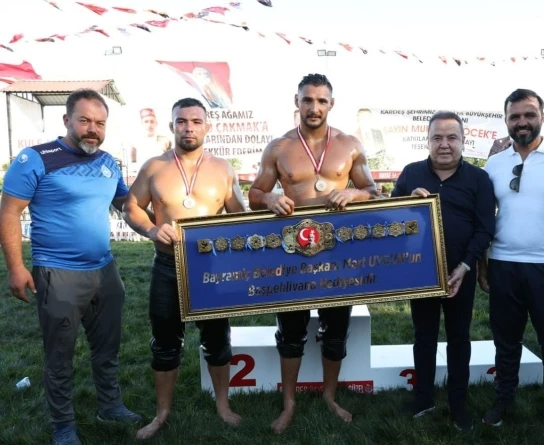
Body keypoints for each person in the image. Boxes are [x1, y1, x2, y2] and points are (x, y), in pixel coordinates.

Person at [0, 89, 142, 445]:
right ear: (67, 120)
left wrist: (162, 220)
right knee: (60, 355)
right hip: (57, 272)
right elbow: (9, 213)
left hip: (105, 270)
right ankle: (63, 426)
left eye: (100, 123)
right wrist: (16, 267)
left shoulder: (108, 162)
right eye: (85, 120)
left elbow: (128, 205)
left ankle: (110, 406)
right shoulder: (35, 158)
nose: (93, 129)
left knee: (108, 347)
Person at [248, 73, 378, 433]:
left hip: (338, 254)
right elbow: (254, 195)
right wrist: (270, 198)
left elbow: (372, 191)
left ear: (331, 104)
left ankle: (329, 396)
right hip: (293, 254)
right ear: (297, 102)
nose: (314, 107)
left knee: (336, 330)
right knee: (291, 332)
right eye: (308, 100)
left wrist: (352, 193)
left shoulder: (350, 145)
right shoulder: (278, 147)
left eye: (321, 101)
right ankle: (288, 403)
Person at [122, 97, 247, 439]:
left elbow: (240, 216)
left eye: (195, 121)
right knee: (164, 342)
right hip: (167, 265)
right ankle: (162, 413)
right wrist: (151, 229)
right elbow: (131, 207)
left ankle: (223, 405)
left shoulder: (223, 169)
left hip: (211, 268)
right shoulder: (154, 167)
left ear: (207, 127)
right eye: (181, 121)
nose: (188, 128)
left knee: (217, 339)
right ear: (172, 126)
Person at [479, 89, 544, 438]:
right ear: (506, 120)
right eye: (515, 116)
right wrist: (482, 264)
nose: (522, 122)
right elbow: (484, 216)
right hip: (503, 263)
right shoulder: (495, 163)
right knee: (505, 340)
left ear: (542, 118)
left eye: (529, 115)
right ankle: (503, 398)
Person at [391, 111, 496, 431]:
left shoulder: (478, 179)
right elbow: (389, 219)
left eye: (452, 137)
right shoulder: (411, 173)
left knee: (459, 338)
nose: (445, 144)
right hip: (421, 273)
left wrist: (465, 267)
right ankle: (423, 398)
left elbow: (485, 228)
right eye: (437, 137)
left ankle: (458, 402)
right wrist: (407, 203)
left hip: (460, 272)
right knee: (423, 337)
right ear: (428, 141)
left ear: (463, 141)